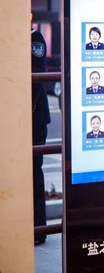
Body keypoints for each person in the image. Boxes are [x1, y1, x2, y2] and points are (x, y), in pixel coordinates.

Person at [31, 28, 51, 244]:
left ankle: (39, 228)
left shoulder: (34, 38)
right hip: (19, 119)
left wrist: (26, 109)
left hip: (34, 117)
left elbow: (37, 75)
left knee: (34, 170)